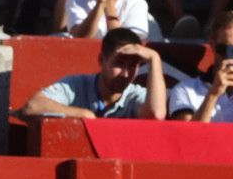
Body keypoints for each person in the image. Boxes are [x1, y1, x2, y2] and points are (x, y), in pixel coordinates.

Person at [19, 26, 167, 119]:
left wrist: (155, 58)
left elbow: (156, 114)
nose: (126, 74)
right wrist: (84, 115)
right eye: (119, 64)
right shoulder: (76, 85)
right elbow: (32, 106)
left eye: (133, 66)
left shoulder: (134, 95)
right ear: (102, 60)